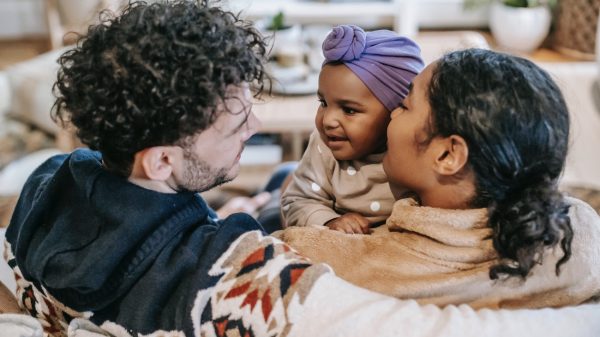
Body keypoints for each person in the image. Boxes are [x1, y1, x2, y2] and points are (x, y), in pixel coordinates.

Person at [3, 1, 600, 335]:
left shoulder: (44, 183)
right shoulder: (252, 277)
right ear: (160, 160)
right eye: (237, 127)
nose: (257, 128)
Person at [275, 49, 600, 309]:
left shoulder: (357, 261)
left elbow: (271, 254)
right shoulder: (582, 237)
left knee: (282, 178)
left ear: (447, 155)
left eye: (403, 106)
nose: (390, 115)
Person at [281, 24, 424, 233]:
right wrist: (328, 221)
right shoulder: (324, 147)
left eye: (349, 110)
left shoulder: (420, 154)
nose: (328, 120)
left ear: (397, 110)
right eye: (323, 103)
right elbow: (297, 200)